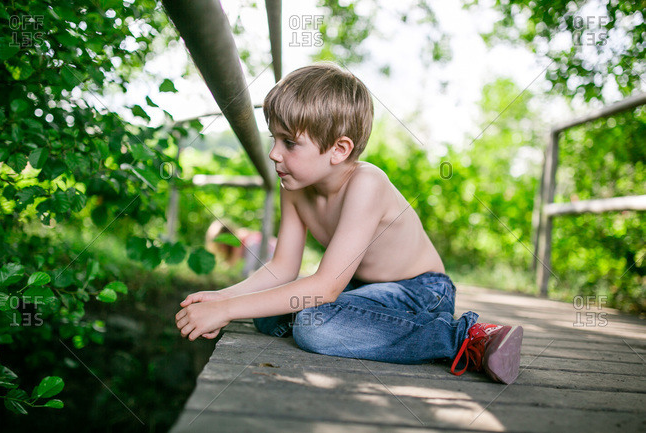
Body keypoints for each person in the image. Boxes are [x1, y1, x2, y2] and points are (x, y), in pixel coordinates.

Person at [176, 62, 524, 384]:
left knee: (315, 326)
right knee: (269, 315)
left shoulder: (366, 183)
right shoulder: (294, 186)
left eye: (290, 143)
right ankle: (365, 325)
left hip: (422, 291)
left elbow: (325, 287)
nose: (274, 154)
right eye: (274, 139)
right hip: (361, 289)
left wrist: (229, 309)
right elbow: (281, 268)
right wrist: (221, 298)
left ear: (339, 149)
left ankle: (465, 337)